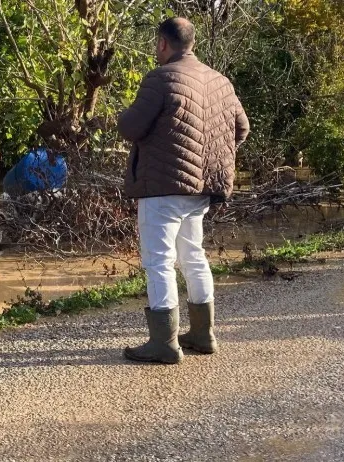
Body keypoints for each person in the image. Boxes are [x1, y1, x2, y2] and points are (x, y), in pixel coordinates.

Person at [118, 17, 250, 364]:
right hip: (202, 187)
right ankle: (203, 335)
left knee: (159, 261)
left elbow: (131, 127)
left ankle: (164, 344)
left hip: (163, 187)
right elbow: (242, 128)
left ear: (163, 43)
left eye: (155, 43)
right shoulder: (221, 81)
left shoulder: (160, 78)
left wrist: (120, 116)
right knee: (193, 255)